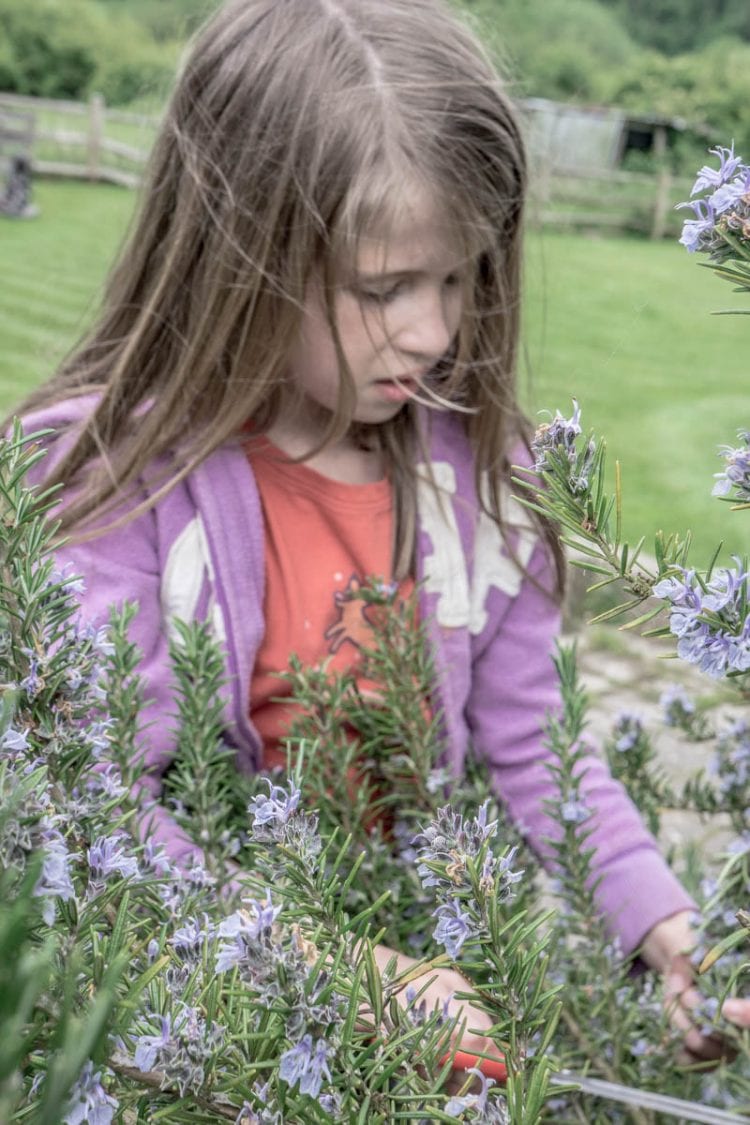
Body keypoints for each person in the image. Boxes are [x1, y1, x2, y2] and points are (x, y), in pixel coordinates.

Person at [15, 0, 749, 1071]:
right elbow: (89, 816)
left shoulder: (476, 470)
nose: (437, 331)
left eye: (460, 277)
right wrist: (333, 973)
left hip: (409, 978)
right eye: (384, 287)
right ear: (236, 253)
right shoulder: (109, 491)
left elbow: (539, 739)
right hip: (182, 1031)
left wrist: (665, 931)